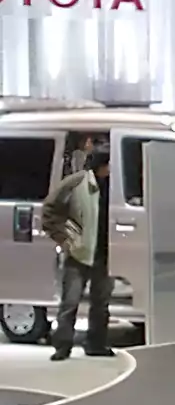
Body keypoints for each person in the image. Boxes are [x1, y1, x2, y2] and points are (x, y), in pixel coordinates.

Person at [40, 149, 113, 361]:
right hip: (78, 252)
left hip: (104, 254)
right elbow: (49, 209)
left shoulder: (114, 187)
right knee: (70, 303)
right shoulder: (77, 182)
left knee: (101, 304)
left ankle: (96, 344)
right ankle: (62, 346)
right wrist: (64, 238)